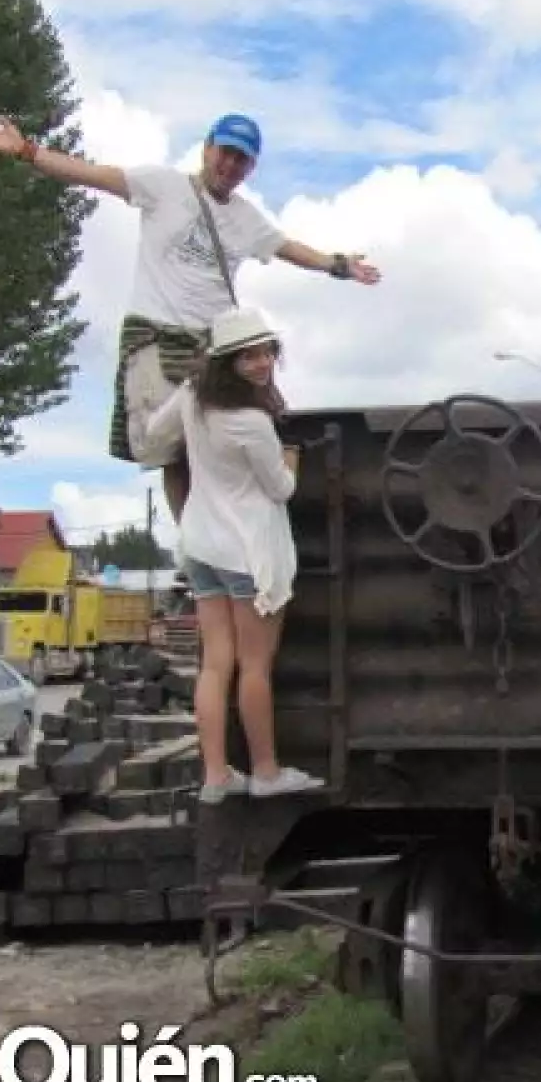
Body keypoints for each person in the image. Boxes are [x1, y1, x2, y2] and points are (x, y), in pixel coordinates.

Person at [0, 110, 381, 524]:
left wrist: (337, 264)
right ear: (207, 149)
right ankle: (194, 551)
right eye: (226, 153)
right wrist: (25, 150)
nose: (230, 165)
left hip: (215, 346)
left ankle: (237, 535)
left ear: (250, 168)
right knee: (172, 453)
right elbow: (91, 174)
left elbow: (288, 247)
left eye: (242, 160)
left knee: (240, 437)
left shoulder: (245, 217)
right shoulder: (163, 186)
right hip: (157, 337)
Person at [145, 306, 323, 801]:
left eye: (267, 351)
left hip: (202, 545)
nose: (263, 362)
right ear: (228, 362)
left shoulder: (191, 397)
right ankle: (265, 772)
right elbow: (281, 489)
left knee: (215, 664)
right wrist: (293, 458)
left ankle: (216, 776)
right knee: (255, 665)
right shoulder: (250, 422)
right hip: (246, 551)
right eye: (250, 356)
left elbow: (155, 435)